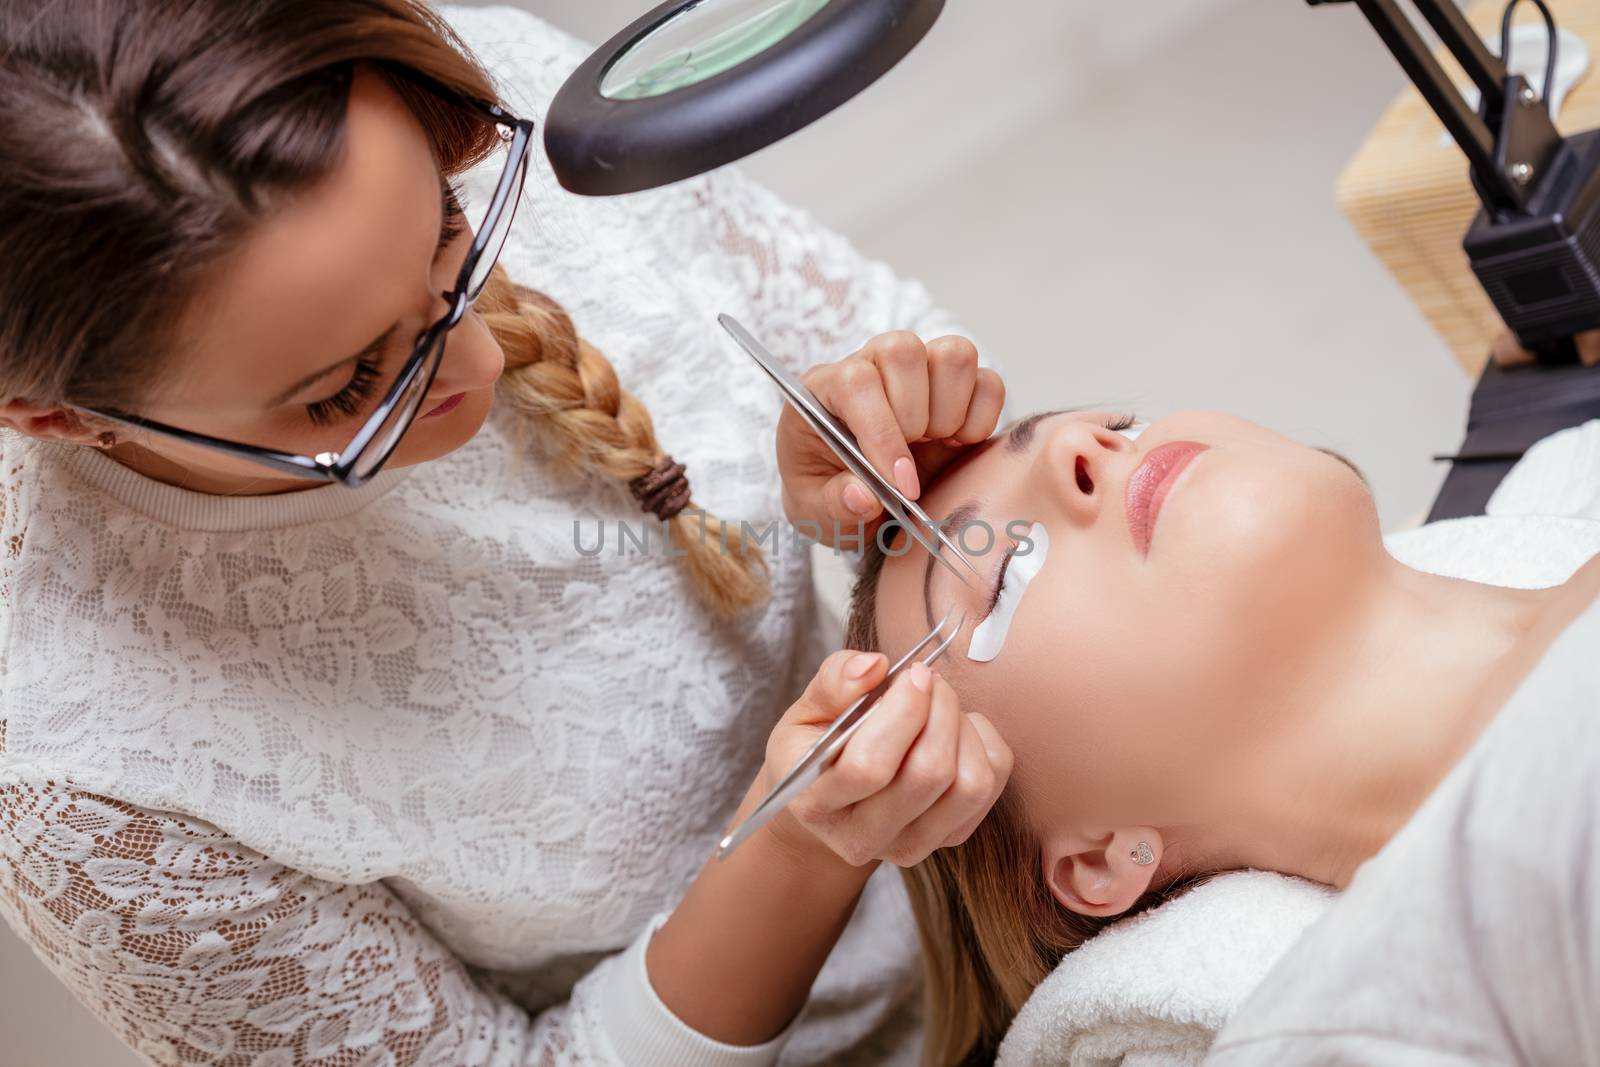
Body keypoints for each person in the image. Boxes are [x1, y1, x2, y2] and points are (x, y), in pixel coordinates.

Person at [0, 3, 1015, 1064]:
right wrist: (798, 851)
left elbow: (917, 382)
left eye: (447, 222)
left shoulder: (465, 96)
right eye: (346, 385)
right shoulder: (93, 786)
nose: (479, 365)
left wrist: (882, 493)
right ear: (53, 415)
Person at [844, 407, 1600, 1065]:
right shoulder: (1391, 1014)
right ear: (1105, 855)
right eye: (1003, 571)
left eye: (1119, 425)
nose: (1074, 446)